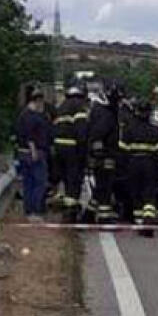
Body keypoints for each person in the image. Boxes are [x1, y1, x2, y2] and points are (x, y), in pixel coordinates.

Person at [120, 99, 158, 238]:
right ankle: (148, 219)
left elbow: (123, 150)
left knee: (136, 194)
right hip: (149, 164)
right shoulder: (155, 129)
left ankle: (140, 223)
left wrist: (124, 166)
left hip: (133, 164)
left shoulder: (128, 128)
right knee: (149, 194)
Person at [51, 81, 90, 220]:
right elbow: (81, 132)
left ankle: (67, 205)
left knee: (65, 178)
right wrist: (84, 152)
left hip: (58, 148)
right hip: (72, 148)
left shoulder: (61, 107)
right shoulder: (79, 107)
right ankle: (70, 211)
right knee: (74, 180)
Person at [87, 82, 124, 223]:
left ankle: (89, 214)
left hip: (105, 155)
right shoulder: (106, 115)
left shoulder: (102, 111)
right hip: (105, 157)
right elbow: (98, 135)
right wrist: (101, 155)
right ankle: (103, 217)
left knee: (101, 187)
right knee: (105, 187)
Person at [14, 88, 51, 221]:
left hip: (23, 153)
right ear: (38, 101)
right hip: (34, 153)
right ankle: (35, 211)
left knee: (28, 183)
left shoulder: (23, 115)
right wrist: (34, 150)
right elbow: (30, 136)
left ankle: (28, 211)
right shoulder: (32, 117)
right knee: (39, 182)